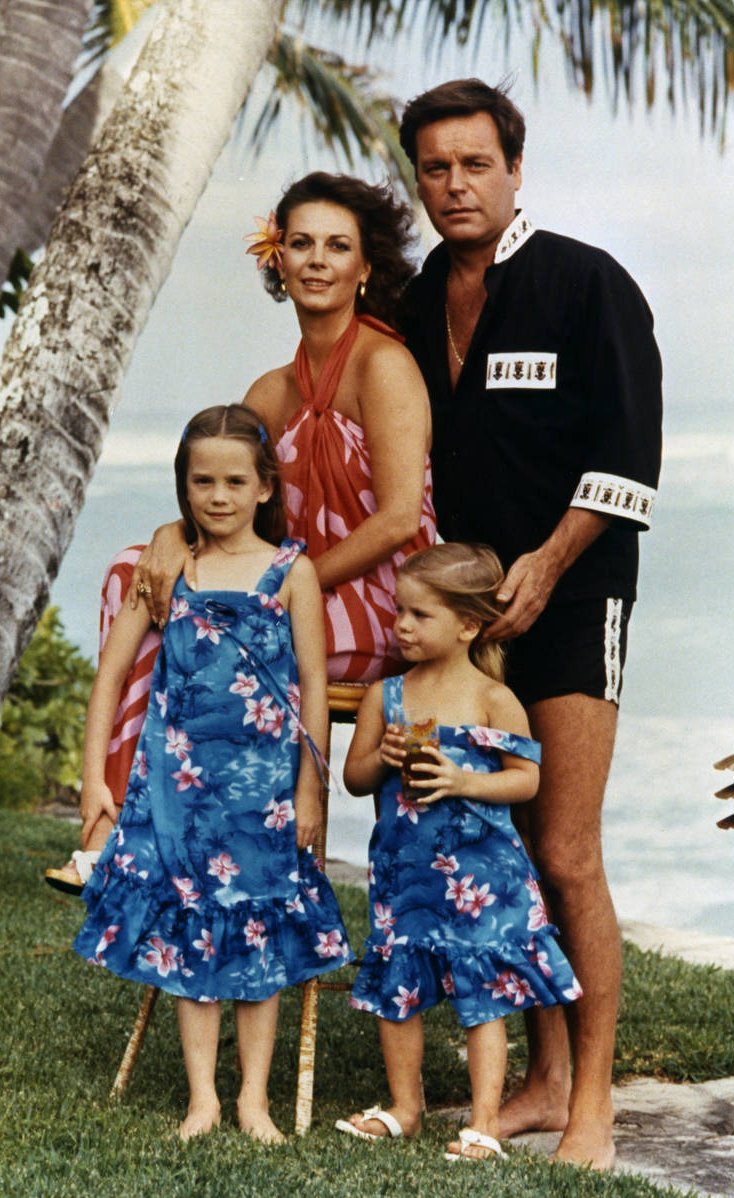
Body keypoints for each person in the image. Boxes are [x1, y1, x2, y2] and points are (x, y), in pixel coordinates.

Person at [396, 79, 663, 1169]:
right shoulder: (415, 302)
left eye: (476, 164)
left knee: (564, 849)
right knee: (505, 849)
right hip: (469, 624)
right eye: (435, 168)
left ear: (515, 170)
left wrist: (551, 564)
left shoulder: (585, 285)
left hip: (575, 599)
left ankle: (591, 1103)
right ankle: (544, 1078)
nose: (456, 186)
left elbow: (630, 462)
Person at [46, 172, 437, 895]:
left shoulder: (384, 367)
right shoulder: (268, 393)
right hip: (285, 588)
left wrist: (288, 585)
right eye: (300, 243)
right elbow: (226, 493)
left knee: (194, 618)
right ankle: (110, 828)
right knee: (130, 572)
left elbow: (398, 519)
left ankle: (130, 838)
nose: (317, 259)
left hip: (377, 597)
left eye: (337, 246)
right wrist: (171, 534)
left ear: (364, 269)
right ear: (278, 262)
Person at [72, 405, 352, 1143]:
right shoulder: (168, 570)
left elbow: (315, 690)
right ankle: (203, 1100)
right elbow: (112, 674)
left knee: (259, 939)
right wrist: (93, 775)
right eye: (202, 482)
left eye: (234, 481)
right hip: (179, 787)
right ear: (183, 486)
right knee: (189, 936)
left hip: (264, 791)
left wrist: (310, 789)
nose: (217, 496)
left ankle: (253, 1100)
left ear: (264, 487)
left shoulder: (294, 572)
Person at [336, 544, 581, 1160]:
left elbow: (526, 780)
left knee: (485, 995)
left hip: (482, 874)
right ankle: (405, 1107)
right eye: (400, 611)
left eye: (420, 615)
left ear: (468, 625)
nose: (402, 626)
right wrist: (382, 758)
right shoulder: (386, 697)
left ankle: (484, 1121)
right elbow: (355, 777)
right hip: (406, 874)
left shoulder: (492, 699)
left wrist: (463, 781)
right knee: (398, 991)